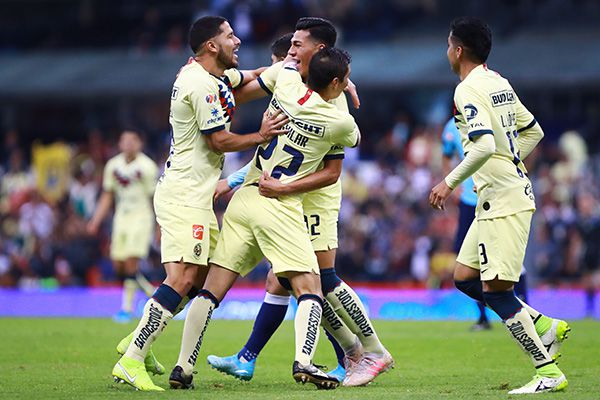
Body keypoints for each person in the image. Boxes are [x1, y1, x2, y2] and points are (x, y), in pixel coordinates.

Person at [207, 20, 391, 388]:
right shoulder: (299, 83)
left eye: (297, 45)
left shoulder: (332, 99)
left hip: (315, 198)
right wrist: (211, 82)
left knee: (319, 279)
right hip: (289, 197)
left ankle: (367, 350)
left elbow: (331, 172)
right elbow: (250, 106)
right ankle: (251, 356)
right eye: (290, 46)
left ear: (320, 52)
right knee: (283, 280)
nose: (291, 51)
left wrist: (281, 189)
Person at [111, 16, 288, 391]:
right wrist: (261, 135)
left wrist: (289, 69)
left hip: (196, 195)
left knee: (201, 280)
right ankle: (132, 359)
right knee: (183, 278)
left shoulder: (213, 75)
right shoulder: (198, 84)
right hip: (184, 195)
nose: (237, 40)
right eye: (229, 36)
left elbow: (253, 79)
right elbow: (218, 141)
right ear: (211, 45)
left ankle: (138, 337)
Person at [168, 47, 360, 391]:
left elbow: (261, 77)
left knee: (212, 290)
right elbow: (352, 139)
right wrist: (344, 91)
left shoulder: (285, 79)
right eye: (343, 80)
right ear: (335, 82)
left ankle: (183, 366)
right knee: (310, 288)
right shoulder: (339, 121)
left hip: (245, 198)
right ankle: (304, 361)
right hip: (279, 203)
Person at [429, 17, 570, 394]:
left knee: (496, 291)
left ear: (458, 50)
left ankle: (547, 370)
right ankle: (542, 323)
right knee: (463, 277)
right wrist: (512, 162)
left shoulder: (467, 90)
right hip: (497, 197)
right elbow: (534, 131)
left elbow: (486, 146)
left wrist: (448, 181)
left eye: (448, 45)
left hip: (503, 200)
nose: (447, 51)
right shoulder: (499, 82)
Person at [441, 118, 529, 330]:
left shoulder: (490, 120)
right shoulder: (451, 128)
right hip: (469, 202)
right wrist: (452, 183)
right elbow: (446, 156)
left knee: (507, 254)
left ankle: (526, 310)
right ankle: (484, 317)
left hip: (495, 196)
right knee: (468, 261)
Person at [87, 130, 158, 323]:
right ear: (119, 144)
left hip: (141, 216)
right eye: (124, 140)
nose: (128, 144)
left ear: (139, 143)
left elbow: (154, 197)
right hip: (121, 218)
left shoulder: (147, 166)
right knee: (118, 265)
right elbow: (107, 195)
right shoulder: (113, 166)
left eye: (132, 140)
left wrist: (160, 225)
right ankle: (151, 292)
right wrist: (95, 221)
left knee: (130, 261)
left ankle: (126, 309)